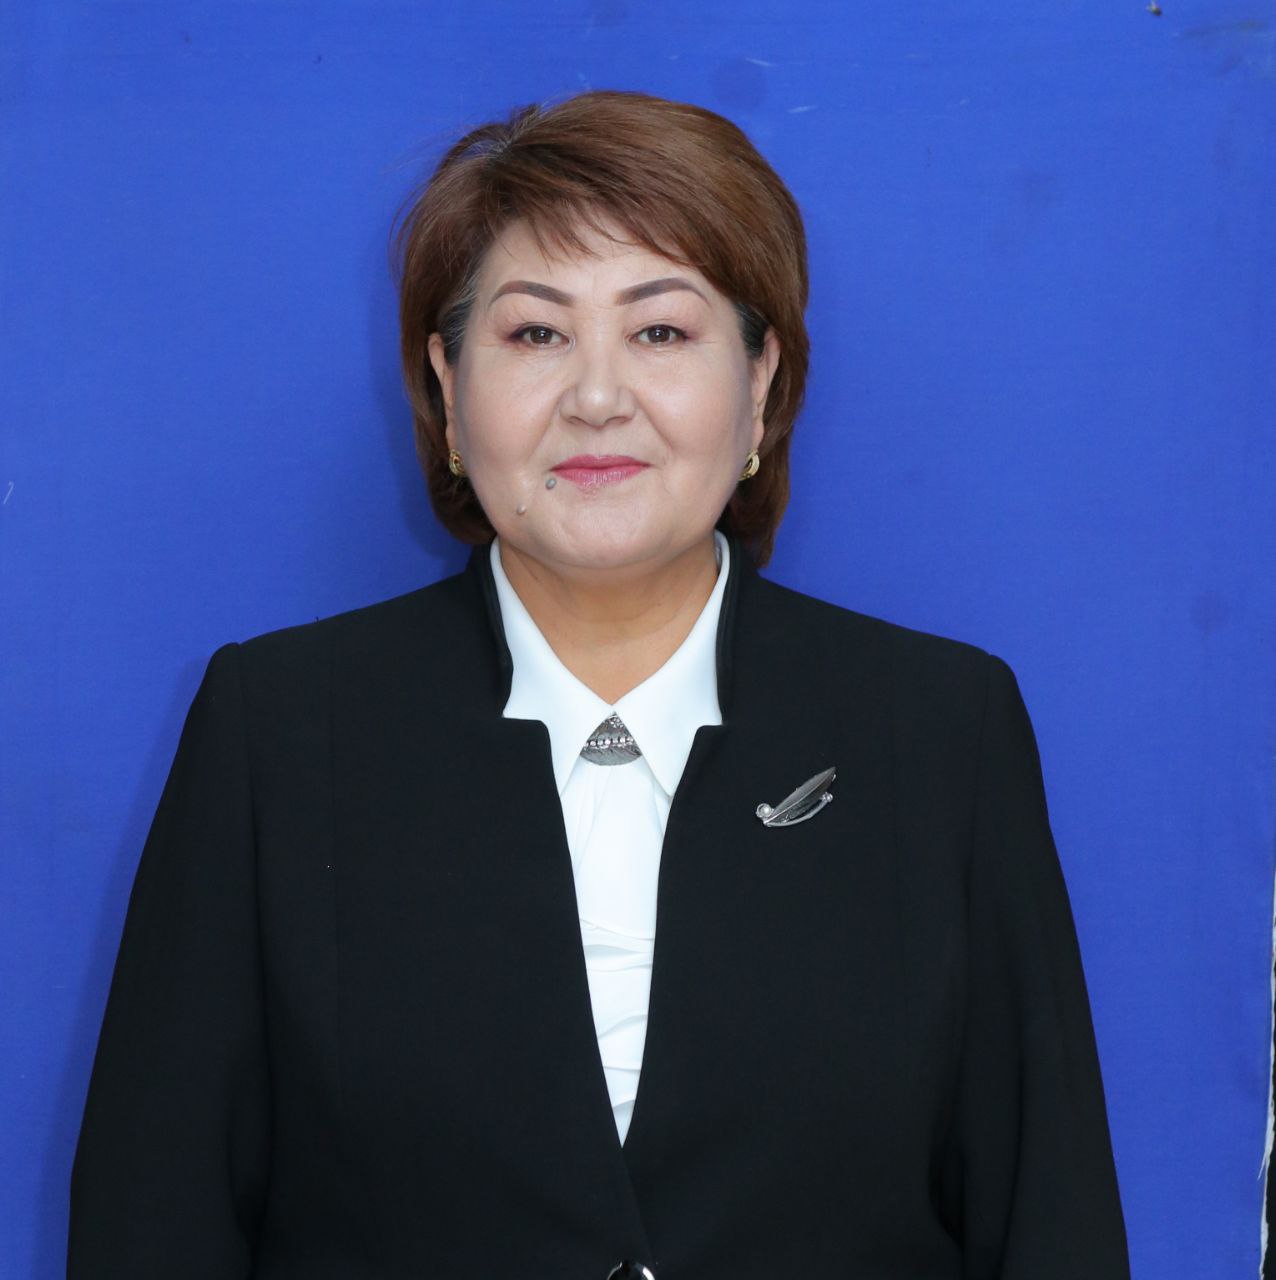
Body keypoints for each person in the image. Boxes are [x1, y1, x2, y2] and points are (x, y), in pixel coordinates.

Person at [67, 90, 1129, 1279]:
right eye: (535, 334)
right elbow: (151, 1221)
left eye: (660, 332)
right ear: (447, 387)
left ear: (761, 384)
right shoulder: (277, 731)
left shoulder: (938, 731)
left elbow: (1050, 1221)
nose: (596, 397)